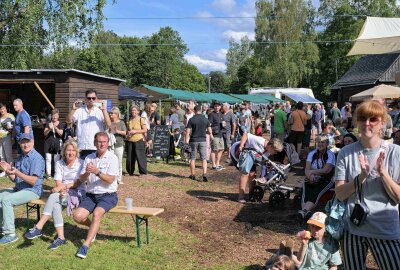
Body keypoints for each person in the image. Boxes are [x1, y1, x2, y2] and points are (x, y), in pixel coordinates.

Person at [335, 100, 400, 269]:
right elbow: (340, 194)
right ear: (356, 121)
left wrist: (383, 173)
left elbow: (398, 197)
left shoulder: (395, 153)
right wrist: (362, 176)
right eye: (362, 118)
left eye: (373, 119)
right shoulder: (345, 153)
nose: (367, 123)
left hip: (385, 229)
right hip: (353, 228)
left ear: (383, 123)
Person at [24, 139, 85, 249]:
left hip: (77, 192)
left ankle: (39, 227)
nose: (70, 153)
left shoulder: (81, 163)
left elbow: (78, 182)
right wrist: (61, 190)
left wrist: (63, 188)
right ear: (64, 151)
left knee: (52, 196)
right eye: (68, 150)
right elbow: (58, 181)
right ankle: (61, 238)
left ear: (76, 152)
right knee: (56, 205)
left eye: (73, 150)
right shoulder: (59, 163)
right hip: (61, 192)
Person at [73, 131, 119, 259]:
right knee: (77, 216)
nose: (102, 144)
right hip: (91, 195)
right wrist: (87, 173)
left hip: (108, 195)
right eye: (99, 142)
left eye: (104, 142)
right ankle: (94, 228)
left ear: (108, 143)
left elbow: (110, 179)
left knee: (97, 214)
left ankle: (85, 246)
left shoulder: (112, 158)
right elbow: (81, 179)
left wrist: (97, 172)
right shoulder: (89, 158)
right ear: (95, 143)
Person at [0, 133, 45, 244]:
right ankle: (3, 226)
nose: (25, 145)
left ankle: (10, 234)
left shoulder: (37, 158)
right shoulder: (20, 157)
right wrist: (8, 170)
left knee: (7, 200)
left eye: (27, 142)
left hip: (32, 190)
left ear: (33, 142)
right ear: (20, 144)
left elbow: (33, 181)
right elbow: (15, 179)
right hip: (20, 188)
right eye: (23, 142)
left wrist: (17, 173)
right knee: (1, 195)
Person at [67, 89, 111, 159]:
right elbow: (68, 121)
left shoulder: (100, 111)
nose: (91, 100)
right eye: (89, 98)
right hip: (82, 146)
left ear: (96, 99)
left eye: (93, 98)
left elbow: (109, 124)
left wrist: (104, 110)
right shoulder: (79, 110)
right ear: (85, 99)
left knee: (94, 169)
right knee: (82, 169)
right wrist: (73, 110)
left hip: (96, 146)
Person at [299, 135, 335, 219]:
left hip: (326, 179)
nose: (320, 144)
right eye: (318, 142)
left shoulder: (330, 154)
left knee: (315, 193)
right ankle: (305, 212)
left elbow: (326, 170)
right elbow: (306, 170)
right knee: (306, 193)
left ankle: (303, 211)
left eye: (323, 142)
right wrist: (310, 176)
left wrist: (311, 172)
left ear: (327, 143)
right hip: (311, 177)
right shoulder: (312, 154)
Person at [236, 132, 269, 203]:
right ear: (271, 147)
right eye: (274, 151)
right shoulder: (260, 140)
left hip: (254, 158)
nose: (274, 153)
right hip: (245, 154)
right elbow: (246, 134)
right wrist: (241, 145)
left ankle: (251, 195)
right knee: (245, 174)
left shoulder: (268, 149)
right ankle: (241, 196)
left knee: (252, 174)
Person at [185, 105, 213, 182]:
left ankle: (193, 174)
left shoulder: (191, 119)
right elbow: (210, 131)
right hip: (203, 140)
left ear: (194, 111)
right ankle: (204, 173)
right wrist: (205, 132)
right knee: (204, 158)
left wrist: (186, 141)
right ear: (201, 110)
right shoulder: (205, 119)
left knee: (192, 157)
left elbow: (187, 131)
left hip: (193, 140)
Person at [126, 105, 147, 176]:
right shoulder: (129, 120)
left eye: (135, 110)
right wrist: (128, 133)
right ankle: (130, 172)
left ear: (138, 111)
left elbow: (145, 130)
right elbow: (128, 130)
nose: (133, 111)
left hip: (139, 140)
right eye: (132, 110)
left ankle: (143, 172)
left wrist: (135, 131)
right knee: (130, 157)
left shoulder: (141, 119)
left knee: (140, 157)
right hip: (130, 140)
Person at [108, 107, 127, 184]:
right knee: (110, 162)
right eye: (110, 113)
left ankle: (119, 179)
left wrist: (117, 131)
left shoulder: (121, 123)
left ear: (116, 114)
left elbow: (125, 132)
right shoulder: (108, 122)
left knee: (119, 162)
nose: (110, 115)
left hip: (119, 144)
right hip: (109, 145)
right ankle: (112, 178)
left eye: (112, 113)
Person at [43, 109, 63, 179]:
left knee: (56, 159)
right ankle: (48, 174)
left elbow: (61, 133)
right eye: (53, 116)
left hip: (57, 143)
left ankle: (56, 173)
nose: (54, 118)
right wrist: (49, 128)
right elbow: (45, 133)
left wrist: (55, 127)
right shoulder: (48, 122)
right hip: (48, 142)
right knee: (48, 159)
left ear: (58, 116)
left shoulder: (60, 123)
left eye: (56, 116)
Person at [208, 102, 225, 171]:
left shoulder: (221, 114)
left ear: (220, 107)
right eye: (215, 106)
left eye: (218, 106)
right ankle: (213, 165)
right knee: (214, 149)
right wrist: (211, 134)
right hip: (214, 134)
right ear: (214, 107)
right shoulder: (211, 114)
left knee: (222, 149)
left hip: (221, 134)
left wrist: (224, 125)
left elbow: (223, 123)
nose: (217, 107)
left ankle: (217, 163)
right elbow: (209, 125)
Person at [0, 103, 15, 176]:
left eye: (3, 108)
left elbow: (14, 127)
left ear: (5, 108)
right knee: (1, 155)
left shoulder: (10, 116)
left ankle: (11, 170)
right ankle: (5, 171)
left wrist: (13, 137)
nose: (2, 110)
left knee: (8, 155)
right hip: (0, 138)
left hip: (7, 137)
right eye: (0, 109)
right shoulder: (0, 117)